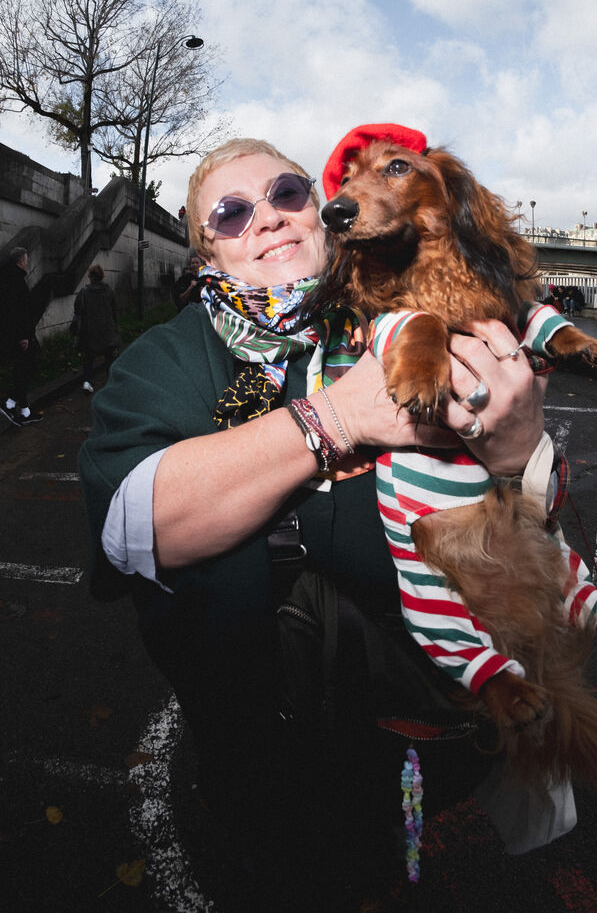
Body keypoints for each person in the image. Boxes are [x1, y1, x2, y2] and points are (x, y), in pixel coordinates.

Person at [78, 135, 558, 897]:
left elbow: (526, 523)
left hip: (425, 743)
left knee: (392, 874)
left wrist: (520, 449)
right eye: (231, 214)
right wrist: (336, 417)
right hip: (263, 768)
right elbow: (132, 524)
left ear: (320, 210)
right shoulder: (166, 358)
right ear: (206, 251)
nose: (266, 217)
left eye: (286, 194)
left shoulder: (409, 314)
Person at [0, 246, 43, 426]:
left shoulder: (9, 278)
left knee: (22, 368)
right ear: (21, 261)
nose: (27, 263)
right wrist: (23, 336)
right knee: (28, 366)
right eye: (26, 260)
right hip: (20, 335)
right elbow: (17, 312)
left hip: (15, 333)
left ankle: (16, 406)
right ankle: (15, 406)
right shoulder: (15, 281)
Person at [74, 263, 121, 394]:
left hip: (90, 332)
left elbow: (77, 310)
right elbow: (114, 311)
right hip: (107, 331)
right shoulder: (109, 291)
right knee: (109, 358)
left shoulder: (84, 292)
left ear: (90, 277)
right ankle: (111, 384)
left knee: (88, 358)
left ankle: (87, 382)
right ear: (102, 276)